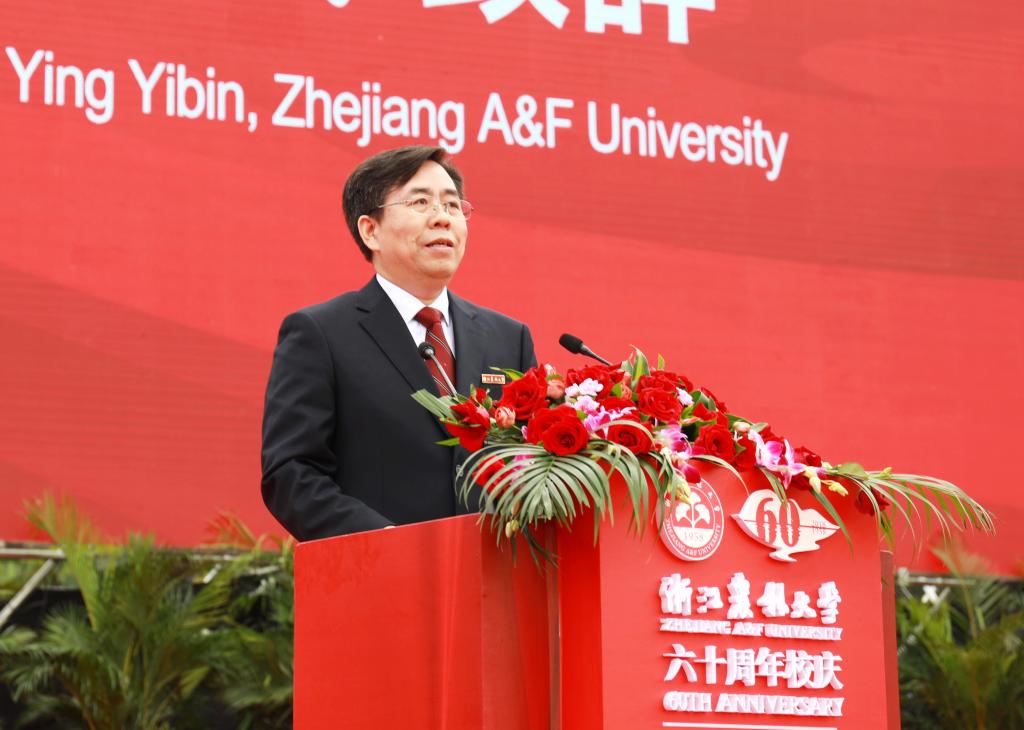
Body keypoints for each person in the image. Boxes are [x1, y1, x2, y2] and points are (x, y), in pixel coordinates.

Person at [261, 146, 536, 540]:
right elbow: (291, 473)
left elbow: (534, 467)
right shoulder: (320, 334)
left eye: (452, 205)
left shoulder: (509, 338)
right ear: (370, 230)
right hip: (382, 570)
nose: (442, 217)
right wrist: (386, 542)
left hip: (496, 571)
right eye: (420, 202)